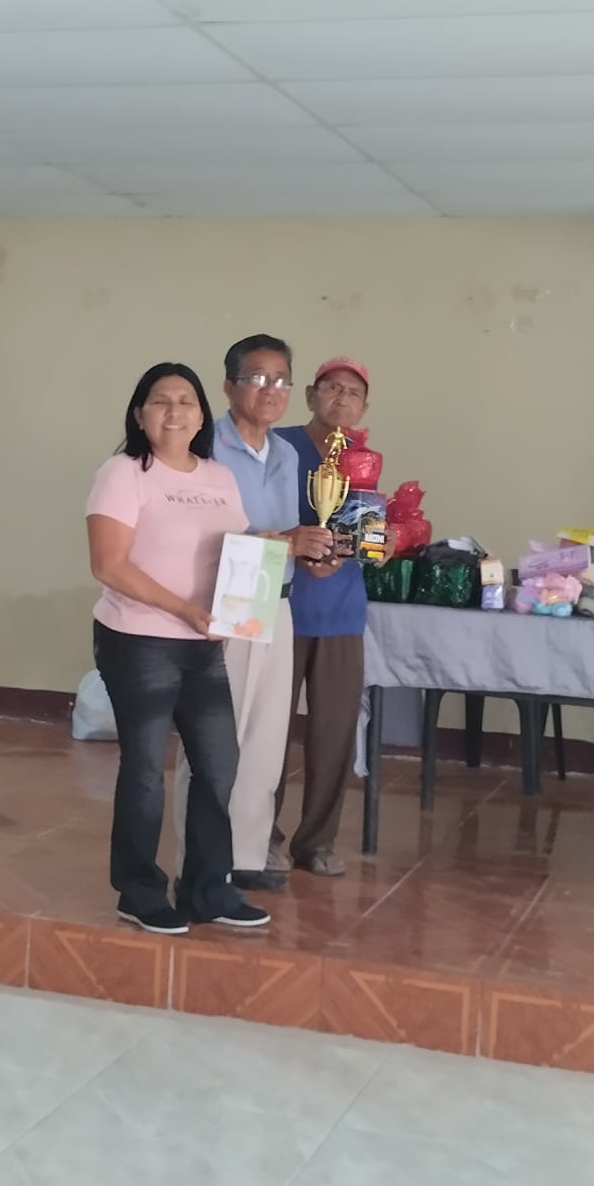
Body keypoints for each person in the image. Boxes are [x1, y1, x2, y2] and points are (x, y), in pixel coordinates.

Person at [85, 363, 270, 934]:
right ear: (139, 414)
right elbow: (108, 565)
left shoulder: (219, 477)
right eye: (160, 401)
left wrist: (278, 549)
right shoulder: (124, 472)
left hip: (202, 643)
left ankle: (207, 889)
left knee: (218, 765)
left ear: (201, 414)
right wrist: (184, 609)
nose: (174, 411)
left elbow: (235, 549)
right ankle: (138, 891)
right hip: (138, 639)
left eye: (186, 401)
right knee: (145, 768)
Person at [172, 335, 333, 893]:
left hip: (275, 597)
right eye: (257, 378)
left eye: (281, 380)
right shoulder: (204, 447)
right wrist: (287, 542)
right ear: (228, 385)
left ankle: (244, 854)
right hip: (223, 598)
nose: (271, 390)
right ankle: (199, 860)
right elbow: (199, 536)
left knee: (265, 735)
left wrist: (309, 555)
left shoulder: (287, 454)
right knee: (215, 736)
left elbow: (282, 537)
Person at [273, 356, 375, 878]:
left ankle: (316, 842)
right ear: (312, 395)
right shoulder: (278, 447)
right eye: (332, 388)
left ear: (364, 408)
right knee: (269, 730)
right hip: (281, 606)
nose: (341, 398)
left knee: (334, 732)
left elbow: (370, 535)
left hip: (340, 612)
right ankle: (261, 835)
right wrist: (297, 546)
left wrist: (383, 543)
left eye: (353, 392)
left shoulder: (365, 460)